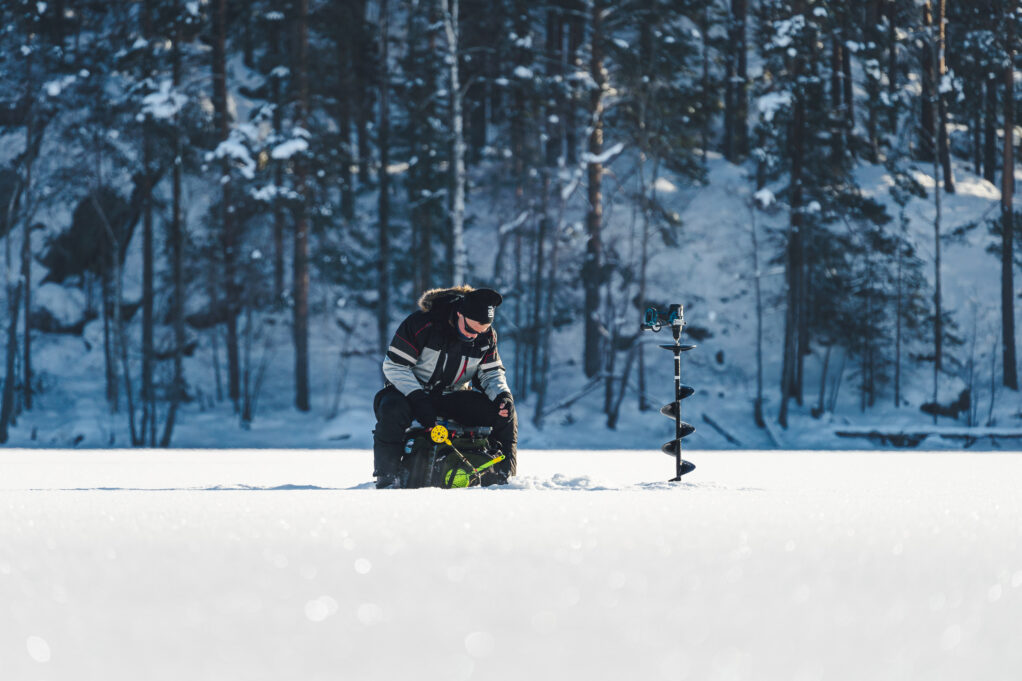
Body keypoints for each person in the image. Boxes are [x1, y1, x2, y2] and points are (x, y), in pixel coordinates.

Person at [373, 285, 517, 488]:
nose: (474, 336)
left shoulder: (486, 336)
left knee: (504, 412)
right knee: (392, 409)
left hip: (453, 395)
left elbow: (491, 373)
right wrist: (417, 397)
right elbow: (395, 366)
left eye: (481, 332)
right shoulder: (421, 324)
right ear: (459, 313)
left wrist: (503, 396)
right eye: (470, 330)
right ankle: (387, 477)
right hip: (408, 393)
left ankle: (503, 475)